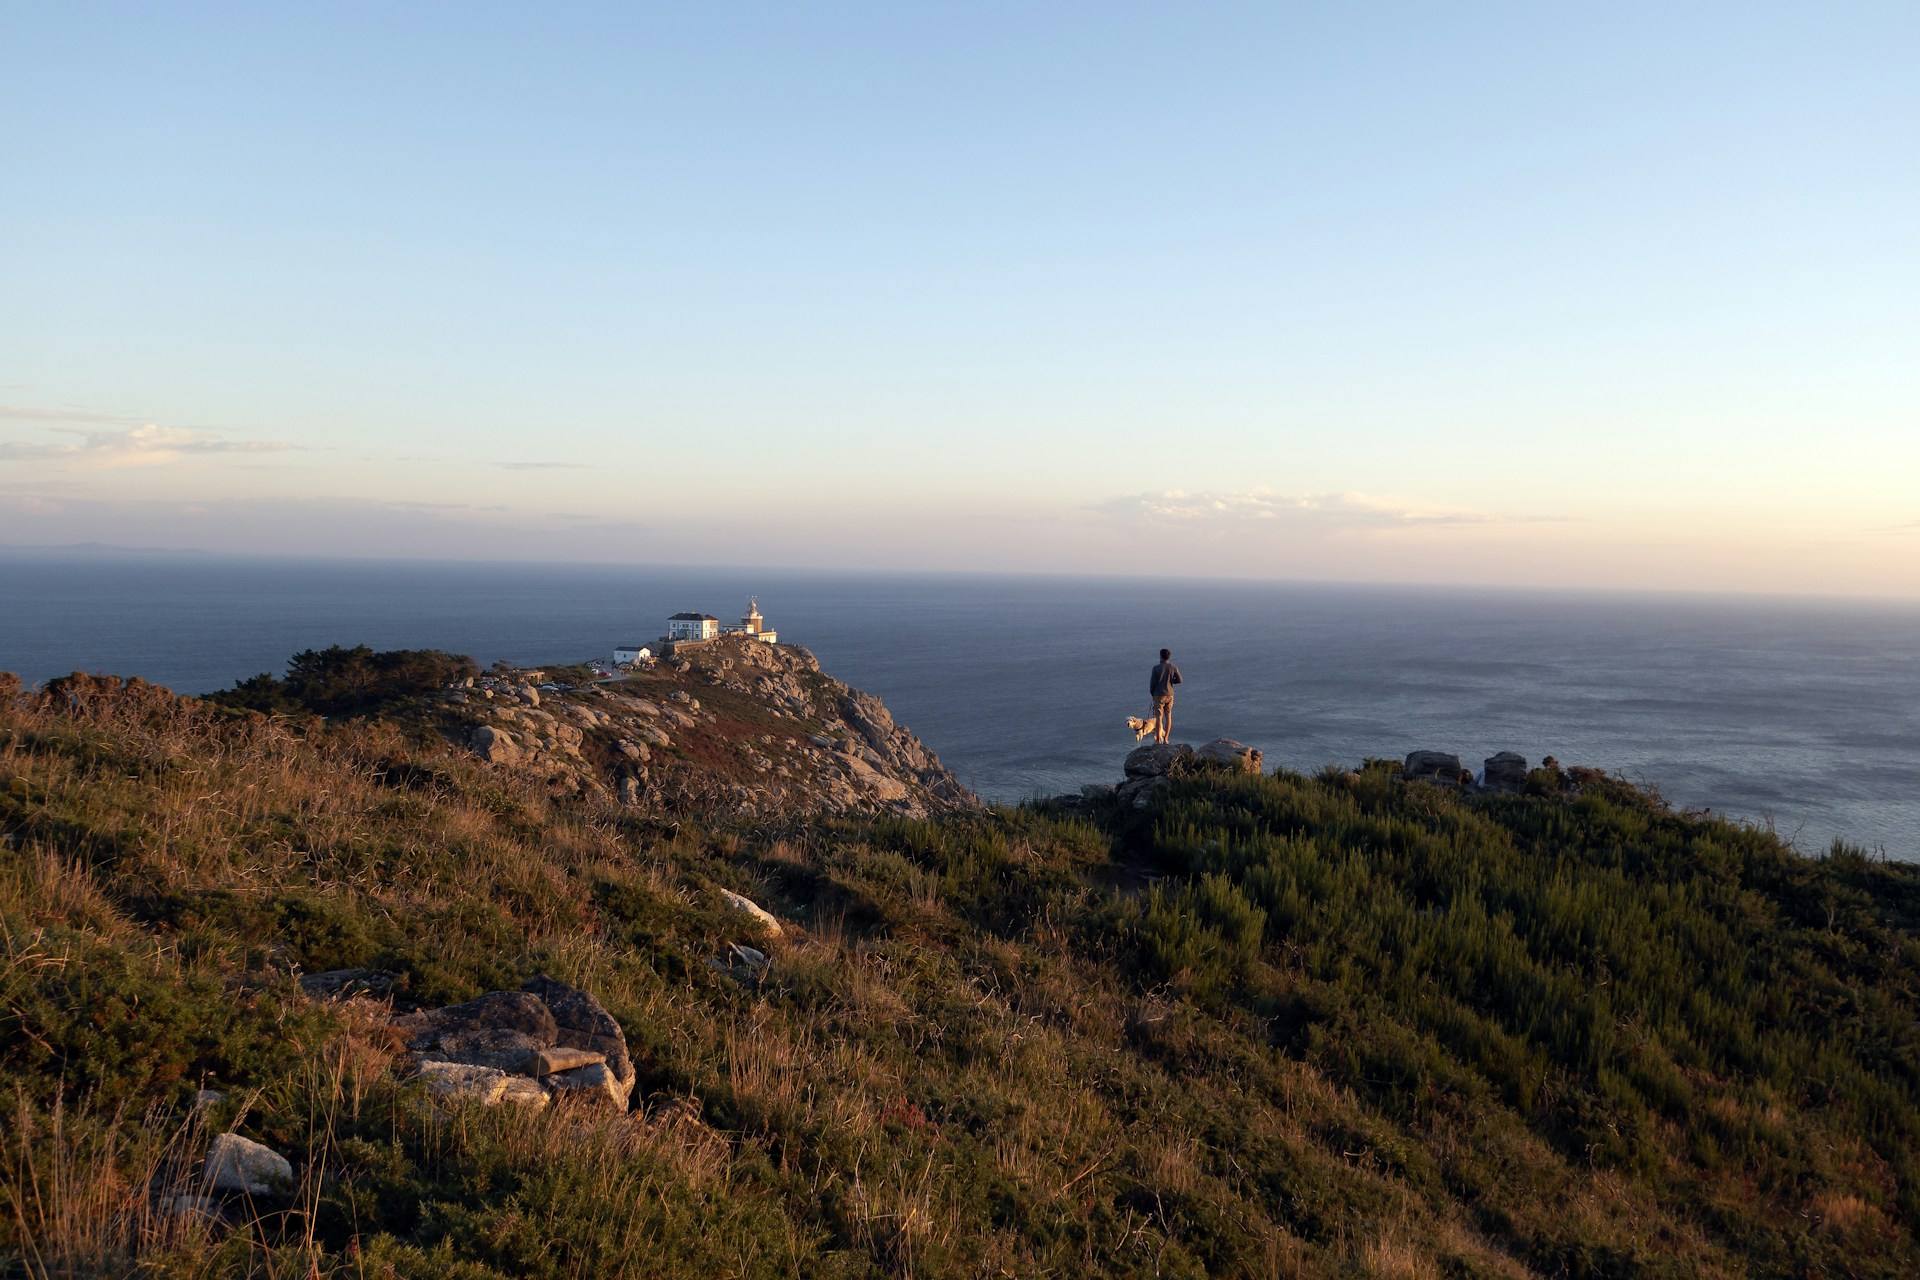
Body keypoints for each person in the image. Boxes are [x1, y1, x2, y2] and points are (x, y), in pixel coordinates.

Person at [1150, 648, 1182, 744]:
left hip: (1159, 695)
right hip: (1170, 694)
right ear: (1169, 657)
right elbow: (1180, 680)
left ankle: (1157, 740)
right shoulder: (1173, 667)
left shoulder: (1156, 668)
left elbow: (1152, 684)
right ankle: (1166, 739)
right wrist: (1171, 681)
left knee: (1159, 717)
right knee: (1168, 716)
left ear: (1160, 656)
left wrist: (1152, 693)